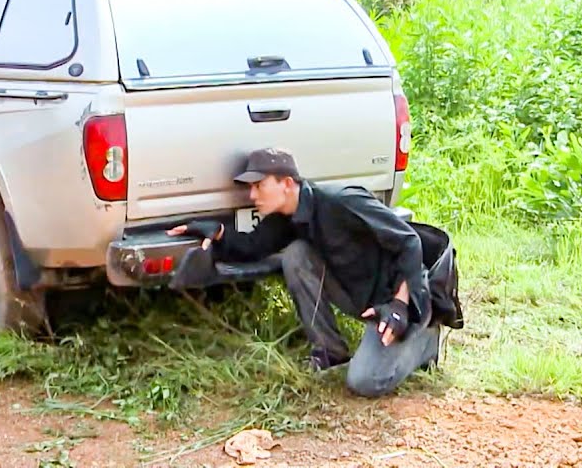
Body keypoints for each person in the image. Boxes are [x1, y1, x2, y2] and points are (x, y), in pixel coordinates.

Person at [168, 147, 452, 398]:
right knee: (296, 254)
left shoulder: (341, 201)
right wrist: (215, 231)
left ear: (287, 183)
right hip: (361, 297)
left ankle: (425, 341)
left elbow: (408, 241)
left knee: (365, 382)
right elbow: (249, 247)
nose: (251, 195)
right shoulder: (287, 219)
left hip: (398, 299)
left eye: (259, 185)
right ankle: (330, 352)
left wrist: (401, 305)